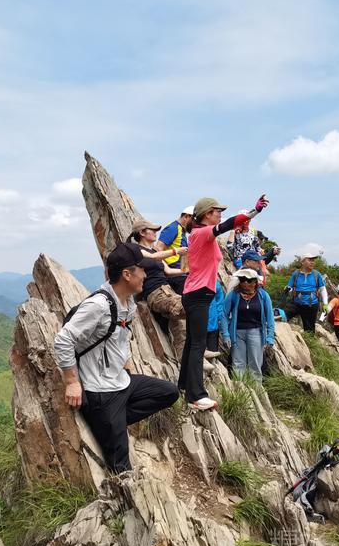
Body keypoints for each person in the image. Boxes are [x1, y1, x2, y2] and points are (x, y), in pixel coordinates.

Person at [54, 242, 179, 473]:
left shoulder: (128, 303)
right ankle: (108, 422)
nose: (145, 274)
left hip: (121, 381)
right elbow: (63, 340)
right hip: (100, 391)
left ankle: (113, 422)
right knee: (122, 469)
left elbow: (120, 339)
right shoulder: (98, 306)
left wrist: (127, 366)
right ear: (127, 274)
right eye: (142, 269)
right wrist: (72, 382)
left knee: (169, 393)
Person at [179, 194, 269, 411]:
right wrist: (254, 211)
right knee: (198, 344)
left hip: (196, 293)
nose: (220, 215)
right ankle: (196, 396)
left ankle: (183, 385)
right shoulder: (203, 232)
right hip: (198, 294)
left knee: (192, 343)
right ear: (206, 214)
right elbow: (229, 224)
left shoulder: (200, 234)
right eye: (217, 211)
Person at [128, 218, 189, 356]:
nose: (156, 233)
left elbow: (169, 271)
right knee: (188, 306)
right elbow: (155, 256)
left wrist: (189, 270)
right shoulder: (136, 250)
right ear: (142, 232)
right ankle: (196, 349)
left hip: (167, 290)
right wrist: (176, 251)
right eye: (153, 230)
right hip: (155, 293)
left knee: (180, 324)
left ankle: (188, 356)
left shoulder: (153, 252)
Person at [221, 268, 275, 379]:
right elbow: (224, 315)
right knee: (238, 364)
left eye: (249, 280)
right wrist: (226, 334)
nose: (245, 282)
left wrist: (270, 337)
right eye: (242, 279)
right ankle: (240, 388)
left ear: (255, 282)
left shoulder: (263, 296)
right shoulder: (233, 295)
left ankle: (256, 387)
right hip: (237, 334)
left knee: (255, 364)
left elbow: (270, 317)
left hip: (256, 333)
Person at [284, 254, 328, 332]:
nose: (312, 262)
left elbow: (323, 289)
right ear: (302, 262)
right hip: (296, 303)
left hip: (311, 305)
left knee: (309, 330)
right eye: (310, 260)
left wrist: (325, 304)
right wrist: (288, 289)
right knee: (283, 316)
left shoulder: (317, 274)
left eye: (313, 260)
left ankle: (309, 339)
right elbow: (290, 287)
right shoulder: (296, 274)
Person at [206, 280, 226, 358]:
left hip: (213, 324)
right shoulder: (193, 281)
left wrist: (220, 319)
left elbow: (220, 303)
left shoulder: (215, 284)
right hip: (200, 325)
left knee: (213, 353)